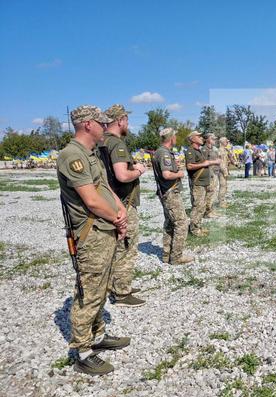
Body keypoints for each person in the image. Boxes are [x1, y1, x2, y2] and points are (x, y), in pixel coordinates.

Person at [57, 105, 129, 375]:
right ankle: (83, 350)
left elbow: (104, 186)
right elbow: (91, 200)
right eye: (101, 122)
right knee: (89, 290)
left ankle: (98, 336)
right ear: (88, 124)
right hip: (92, 232)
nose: (105, 126)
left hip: (104, 228)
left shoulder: (90, 154)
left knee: (101, 285)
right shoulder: (71, 155)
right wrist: (118, 218)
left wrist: (119, 207)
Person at [100, 104, 145, 307]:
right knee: (127, 247)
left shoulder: (102, 142)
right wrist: (139, 170)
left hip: (109, 201)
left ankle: (116, 284)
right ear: (120, 120)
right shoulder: (117, 144)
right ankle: (122, 292)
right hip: (123, 202)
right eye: (127, 120)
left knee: (116, 245)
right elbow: (121, 175)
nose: (128, 124)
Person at [152, 128, 194, 265]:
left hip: (165, 192)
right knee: (181, 223)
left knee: (170, 223)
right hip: (170, 192)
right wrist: (180, 174)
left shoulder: (160, 152)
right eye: (175, 136)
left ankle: (166, 255)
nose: (176, 138)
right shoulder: (164, 153)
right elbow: (167, 175)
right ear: (171, 138)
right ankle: (176, 257)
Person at [186, 131, 220, 236]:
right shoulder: (191, 151)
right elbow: (189, 166)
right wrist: (207, 163)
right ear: (192, 139)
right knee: (198, 207)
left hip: (203, 182)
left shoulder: (198, 151)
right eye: (199, 136)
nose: (202, 138)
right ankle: (194, 230)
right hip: (198, 183)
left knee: (202, 206)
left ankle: (197, 227)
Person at [202, 133, 220, 218]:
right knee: (209, 193)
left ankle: (210, 210)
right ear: (207, 139)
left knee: (213, 193)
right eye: (212, 138)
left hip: (214, 173)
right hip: (208, 174)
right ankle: (207, 212)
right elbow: (203, 163)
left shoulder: (213, 149)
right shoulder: (204, 150)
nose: (214, 140)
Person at [217, 137, 234, 208]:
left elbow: (227, 160)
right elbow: (220, 163)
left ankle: (222, 201)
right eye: (226, 141)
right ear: (222, 142)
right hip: (221, 171)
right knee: (223, 186)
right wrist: (224, 171)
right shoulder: (220, 150)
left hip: (225, 169)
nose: (227, 143)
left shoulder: (225, 150)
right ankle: (221, 202)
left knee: (225, 187)